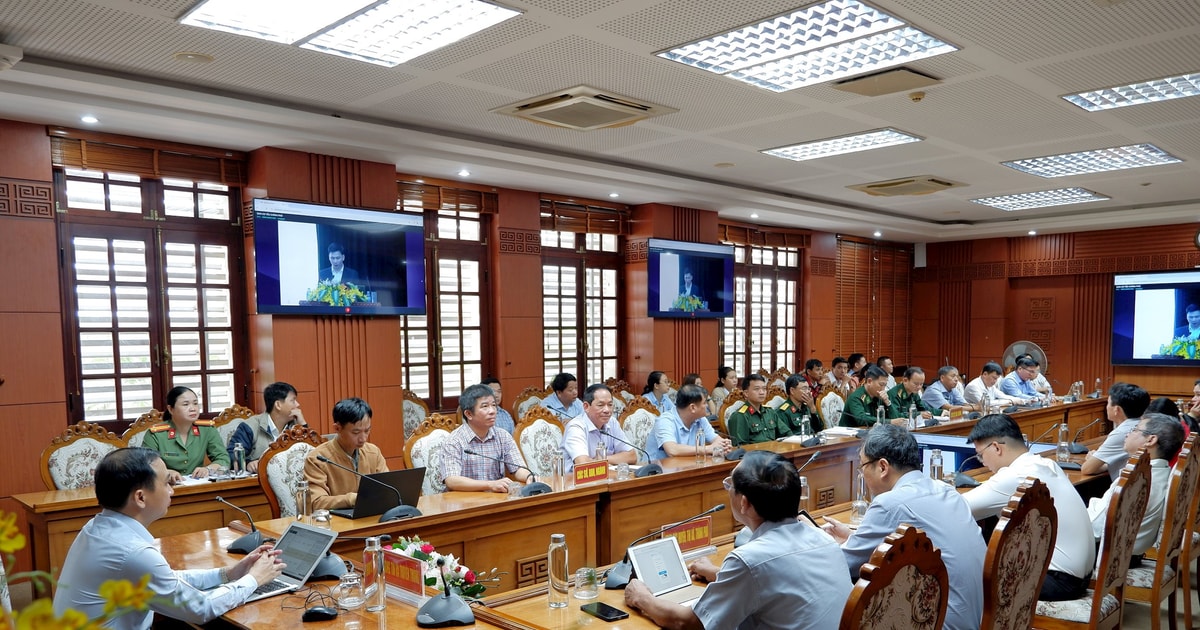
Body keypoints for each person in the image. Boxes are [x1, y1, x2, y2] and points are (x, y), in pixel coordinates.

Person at [53, 448, 285, 629]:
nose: (172, 490)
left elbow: (167, 579)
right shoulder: (132, 552)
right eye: (166, 483)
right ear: (141, 498)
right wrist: (254, 579)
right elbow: (201, 609)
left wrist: (228, 574)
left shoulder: (97, 528)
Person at [624, 451, 850, 629]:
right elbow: (779, 579)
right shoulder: (823, 538)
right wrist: (717, 573)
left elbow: (688, 623)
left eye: (729, 486)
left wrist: (643, 598)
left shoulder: (750, 559)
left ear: (744, 503)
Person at [822, 425, 984, 630]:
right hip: (980, 616)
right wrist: (853, 539)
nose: (862, 474)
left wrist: (823, 541)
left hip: (940, 622)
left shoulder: (889, 503)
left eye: (862, 467)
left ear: (882, 467)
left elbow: (844, 564)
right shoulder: (946, 490)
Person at [963, 414, 1095, 601]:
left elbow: (959, 508)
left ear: (996, 448)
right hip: (1078, 576)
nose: (982, 462)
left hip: (1056, 581)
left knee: (968, 577)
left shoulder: (1015, 476)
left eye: (980, 455)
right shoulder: (1046, 464)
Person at [1086, 413, 1182, 564]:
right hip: (1129, 554)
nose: (1128, 433)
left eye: (1135, 429)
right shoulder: (1161, 473)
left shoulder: (1135, 480)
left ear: (1151, 440)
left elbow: (1093, 529)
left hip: (1106, 557)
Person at [440, 383, 533, 492]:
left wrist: (528, 476)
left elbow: (518, 468)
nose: (492, 411)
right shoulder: (454, 441)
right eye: (485, 406)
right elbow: (452, 480)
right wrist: (490, 485)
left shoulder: (502, 436)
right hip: (464, 501)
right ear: (469, 414)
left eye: (493, 405)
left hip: (496, 500)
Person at [304, 397, 387, 510]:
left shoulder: (373, 452)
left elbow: (388, 489)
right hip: (336, 523)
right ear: (337, 428)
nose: (363, 439)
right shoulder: (318, 459)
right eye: (356, 432)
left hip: (370, 517)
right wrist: (351, 499)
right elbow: (316, 502)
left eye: (367, 431)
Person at [142, 386, 229, 483]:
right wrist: (166, 472)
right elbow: (146, 465)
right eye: (185, 404)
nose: (193, 409)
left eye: (195, 403)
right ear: (171, 409)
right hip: (166, 487)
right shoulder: (156, 434)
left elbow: (223, 458)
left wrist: (208, 469)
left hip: (198, 485)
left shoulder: (207, 429)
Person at [226, 381, 308, 473]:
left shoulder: (296, 426)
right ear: (278, 405)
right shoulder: (250, 426)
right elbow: (231, 455)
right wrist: (248, 463)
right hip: (259, 481)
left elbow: (310, 454)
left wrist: (303, 425)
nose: (297, 405)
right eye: (293, 400)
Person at [1081, 382, 1151, 481]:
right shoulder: (1147, 425)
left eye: (1108, 403)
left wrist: (1091, 458)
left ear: (1116, 409)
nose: (1107, 407)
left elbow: (1087, 469)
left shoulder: (1121, 433)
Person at [645, 384, 732, 461]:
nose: (707, 406)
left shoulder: (700, 419)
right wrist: (707, 449)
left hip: (686, 466)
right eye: (705, 403)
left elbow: (716, 440)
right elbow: (672, 450)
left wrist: (724, 446)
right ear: (693, 408)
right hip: (655, 473)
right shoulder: (665, 421)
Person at [561, 384, 637, 471]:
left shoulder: (612, 422)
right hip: (573, 481)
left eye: (610, 404)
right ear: (586, 407)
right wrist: (611, 460)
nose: (607, 410)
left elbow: (631, 455)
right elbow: (583, 464)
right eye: (600, 405)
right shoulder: (576, 427)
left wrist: (602, 459)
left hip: (605, 478)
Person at [726, 374, 788, 445]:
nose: (762, 392)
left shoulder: (770, 412)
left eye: (764, 389)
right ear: (746, 393)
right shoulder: (740, 416)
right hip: (755, 454)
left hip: (775, 452)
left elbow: (786, 433)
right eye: (757, 389)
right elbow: (740, 448)